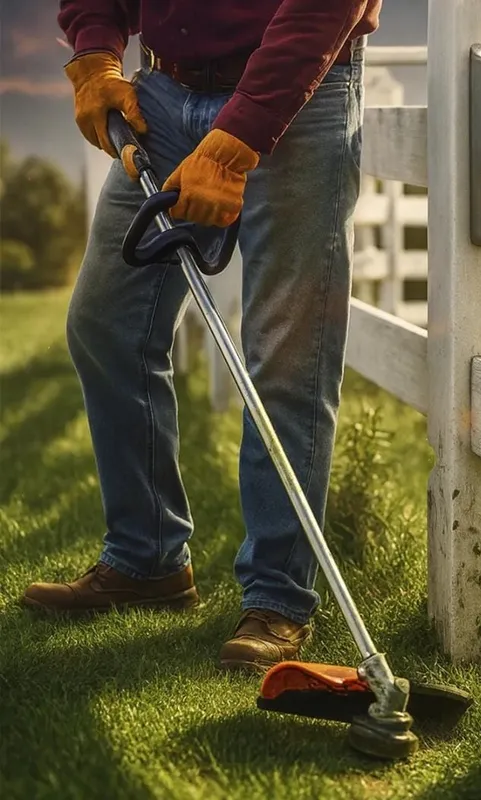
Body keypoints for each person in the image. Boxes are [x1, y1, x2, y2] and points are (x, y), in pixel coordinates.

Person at [22, 1, 380, 673]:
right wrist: (95, 54)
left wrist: (236, 138)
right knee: (106, 324)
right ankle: (147, 560)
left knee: (286, 355)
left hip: (300, 88)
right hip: (163, 92)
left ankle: (277, 599)